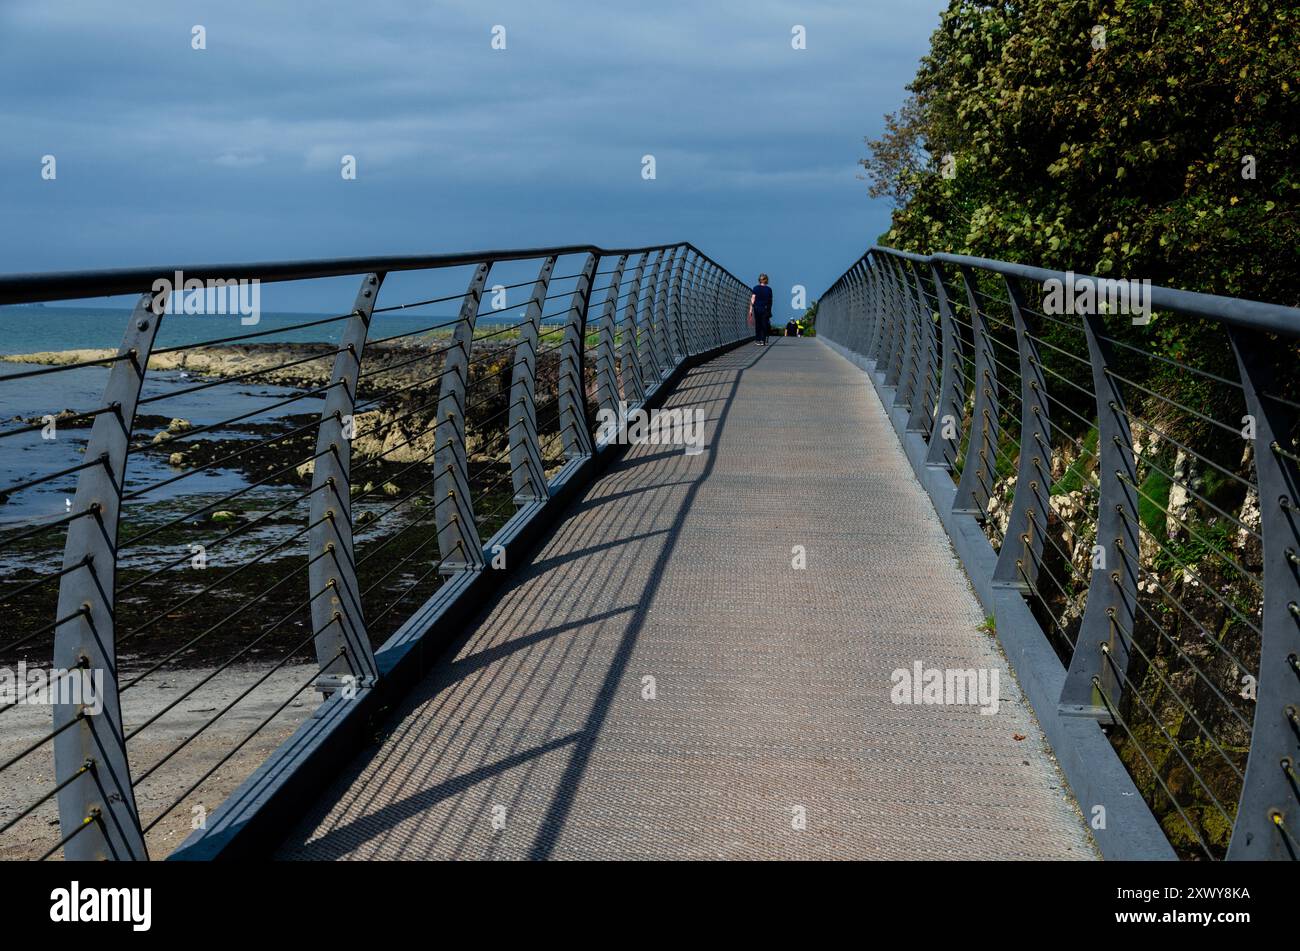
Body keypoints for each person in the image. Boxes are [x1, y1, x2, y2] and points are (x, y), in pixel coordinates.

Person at [749, 274, 772, 346]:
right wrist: (769, 310)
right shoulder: (769, 289)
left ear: (759, 280)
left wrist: (750, 310)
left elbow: (753, 299)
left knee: (758, 324)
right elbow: (770, 301)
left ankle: (757, 340)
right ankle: (763, 340)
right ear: (766, 280)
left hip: (757, 308)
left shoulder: (755, 288)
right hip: (765, 308)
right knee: (764, 324)